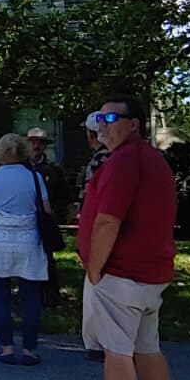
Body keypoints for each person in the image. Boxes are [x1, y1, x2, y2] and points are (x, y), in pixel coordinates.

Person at [73, 94, 181, 380]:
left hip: (121, 274)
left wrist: (94, 268)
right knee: (147, 348)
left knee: (117, 351)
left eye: (110, 119)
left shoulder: (123, 162)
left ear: (133, 123)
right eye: (97, 119)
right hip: (151, 274)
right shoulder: (153, 159)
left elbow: (107, 221)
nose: (101, 126)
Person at [0, 133, 50, 366]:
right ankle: (29, 349)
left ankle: (6, 347)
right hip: (28, 239)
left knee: (0, 296)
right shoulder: (35, 178)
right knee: (31, 297)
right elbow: (46, 210)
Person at [78, 113, 112, 364]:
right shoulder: (122, 159)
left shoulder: (99, 161)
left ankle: (96, 342)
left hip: (99, 226)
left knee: (95, 283)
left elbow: (92, 199)